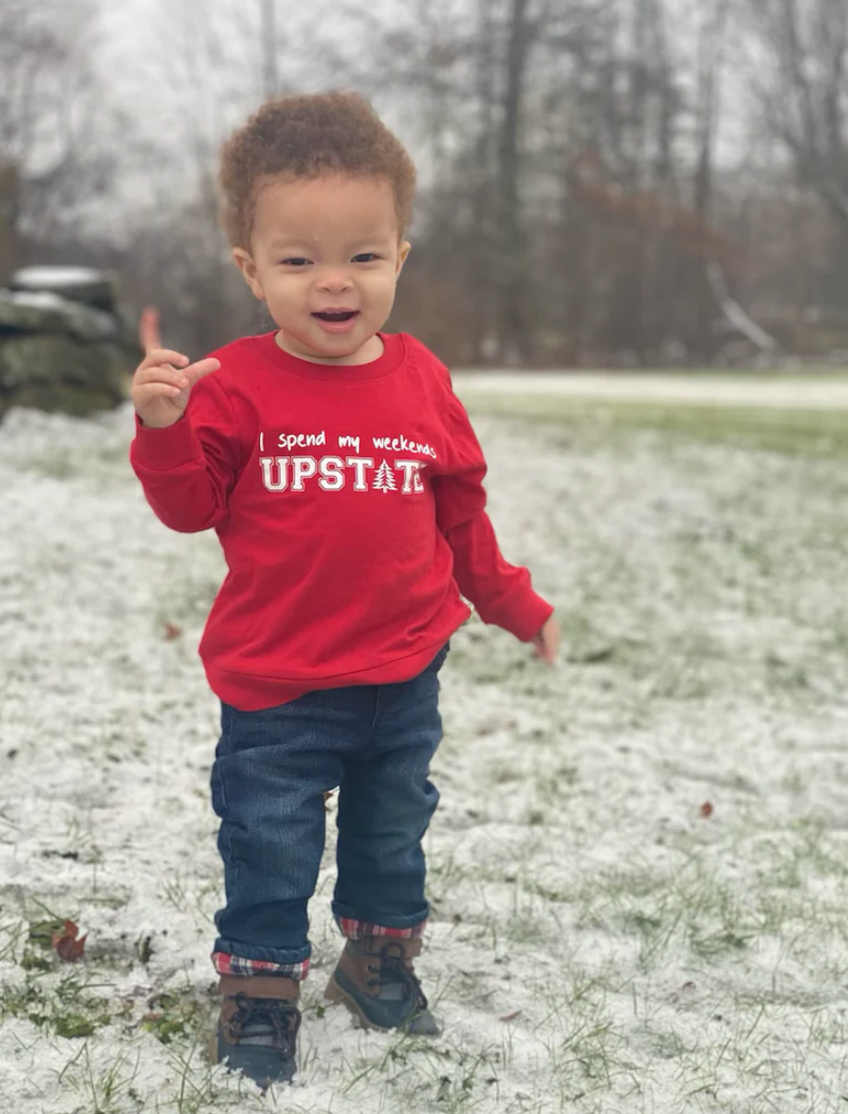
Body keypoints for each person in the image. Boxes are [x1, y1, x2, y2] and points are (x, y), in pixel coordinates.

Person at [129, 91, 560, 1089]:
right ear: (251, 270)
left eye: (362, 256)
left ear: (399, 256)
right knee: (269, 839)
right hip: (277, 682)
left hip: (403, 669)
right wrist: (162, 429)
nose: (335, 282)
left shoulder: (420, 381)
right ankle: (261, 992)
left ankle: (375, 963)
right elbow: (190, 507)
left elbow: (460, 523)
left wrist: (514, 603)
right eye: (299, 259)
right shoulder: (232, 385)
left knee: (390, 828)